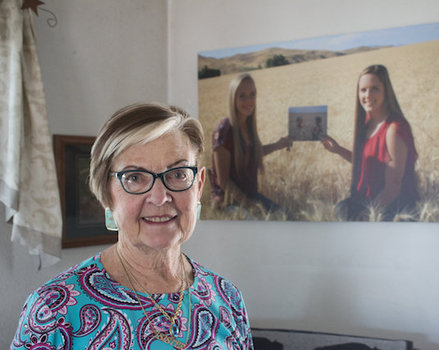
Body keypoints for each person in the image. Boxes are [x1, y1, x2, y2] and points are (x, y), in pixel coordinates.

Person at [11, 102, 254, 349]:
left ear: (199, 185)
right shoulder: (54, 310)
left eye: (178, 174)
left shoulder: (228, 298)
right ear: (106, 192)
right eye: (134, 177)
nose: (160, 197)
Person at [322, 64, 419, 221]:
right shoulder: (368, 123)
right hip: (366, 200)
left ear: (386, 91)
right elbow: (368, 163)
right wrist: (338, 149)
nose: (367, 94)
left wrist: (367, 216)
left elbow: (393, 188)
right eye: (363, 90)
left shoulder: (394, 129)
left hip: (391, 208)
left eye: (374, 88)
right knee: (339, 209)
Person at [210, 73, 291, 212]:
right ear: (233, 98)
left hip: (251, 196)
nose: (249, 101)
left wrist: (279, 144)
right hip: (230, 203)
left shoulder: (248, 125)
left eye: (252, 94)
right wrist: (248, 204)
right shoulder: (224, 130)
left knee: (285, 215)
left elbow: (252, 153)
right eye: (242, 96)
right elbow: (223, 181)